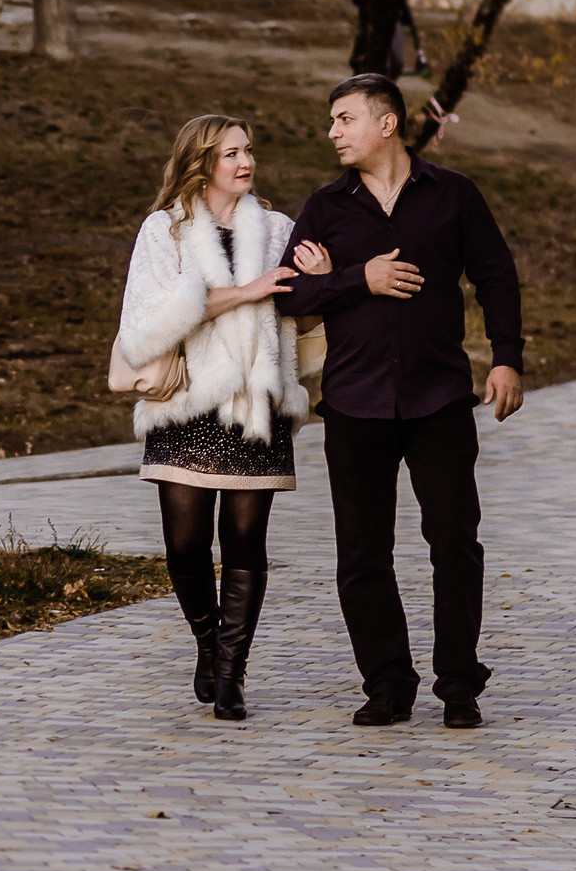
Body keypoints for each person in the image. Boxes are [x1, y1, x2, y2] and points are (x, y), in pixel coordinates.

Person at [276, 74, 525, 730]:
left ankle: (458, 683)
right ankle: (387, 683)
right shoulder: (326, 208)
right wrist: (359, 277)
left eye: (344, 118)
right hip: (354, 404)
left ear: (386, 123)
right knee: (361, 554)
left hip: (438, 396)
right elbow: (291, 295)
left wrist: (506, 357)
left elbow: (496, 273)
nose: (332, 131)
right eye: (332, 120)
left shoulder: (453, 195)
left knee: (455, 541)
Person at [113, 115, 327, 721]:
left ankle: (231, 674)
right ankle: (208, 642)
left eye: (249, 150)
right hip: (185, 407)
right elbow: (147, 324)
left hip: (255, 409)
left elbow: (304, 325)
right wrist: (247, 291)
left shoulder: (279, 227)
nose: (245, 160)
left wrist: (317, 285)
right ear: (200, 161)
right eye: (231, 152)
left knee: (243, 542)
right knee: (183, 546)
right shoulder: (166, 231)